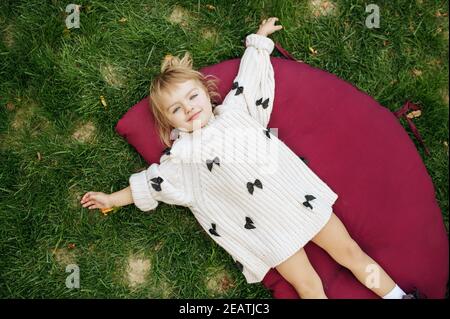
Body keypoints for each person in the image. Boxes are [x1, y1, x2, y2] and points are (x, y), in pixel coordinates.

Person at [81, 17, 417, 299]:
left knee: (350, 254)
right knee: (309, 286)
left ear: (207, 91)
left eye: (193, 96)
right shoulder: (181, 158)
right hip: (265, 230)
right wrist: (112, 198)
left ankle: (397, 297)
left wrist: (258, 41)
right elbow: (153, 183)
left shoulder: (237, 110)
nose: (189, 108)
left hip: (299, 200)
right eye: (176, 109)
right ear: (169, 122)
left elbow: (250, 77)